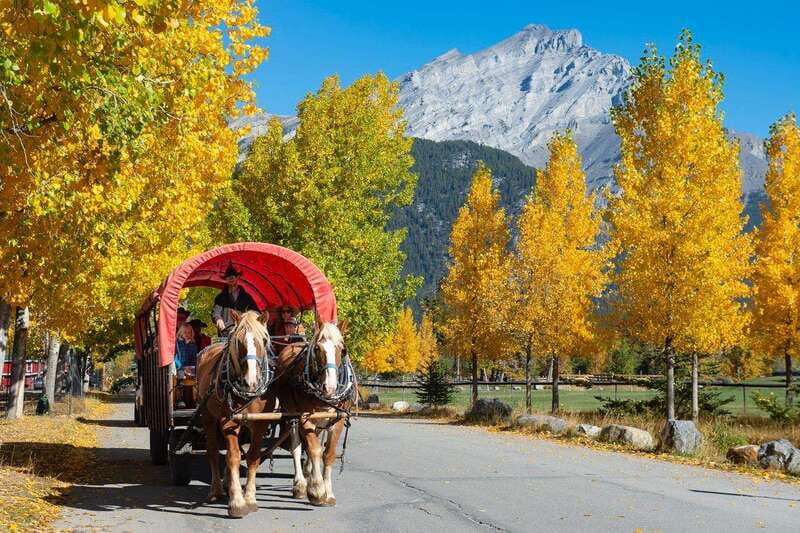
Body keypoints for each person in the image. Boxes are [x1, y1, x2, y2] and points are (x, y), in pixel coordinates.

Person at [212, 262, 258, 337]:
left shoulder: (246, 297)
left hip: (243, 332)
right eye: (228, 277)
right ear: (225, 280)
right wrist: (218, 319)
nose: (230, 279)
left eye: (233, 276)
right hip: (226, 332)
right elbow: (216, 312)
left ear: (237, 277)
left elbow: (255, 312)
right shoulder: (220, 298)